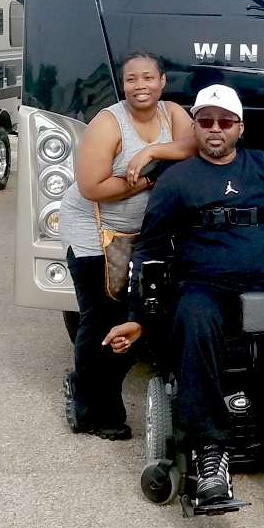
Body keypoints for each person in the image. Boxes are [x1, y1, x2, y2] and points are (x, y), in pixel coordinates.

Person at [104, 83, 264, 504]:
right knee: (194, 321)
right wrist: (137, 316)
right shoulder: (176, 180)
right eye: (206, 120)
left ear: (240, 128)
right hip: (204, 286)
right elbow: (150, 253)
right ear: (195, 126)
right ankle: (210, 455)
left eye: (224, 121)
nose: (215, 129)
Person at [59, 52, 197, 440]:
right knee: (102, 314)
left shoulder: (173, 114)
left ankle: (92, 386)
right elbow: (93, 187)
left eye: (148, 78)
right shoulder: (108, 122)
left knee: (138, 314)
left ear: (163, 81)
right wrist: (148, 182)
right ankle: (92, 407)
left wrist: (150, 152)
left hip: (142, 233)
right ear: (124, 85)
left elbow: (193, 145)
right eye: (132, 79)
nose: (141, 86)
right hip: (92, 227)